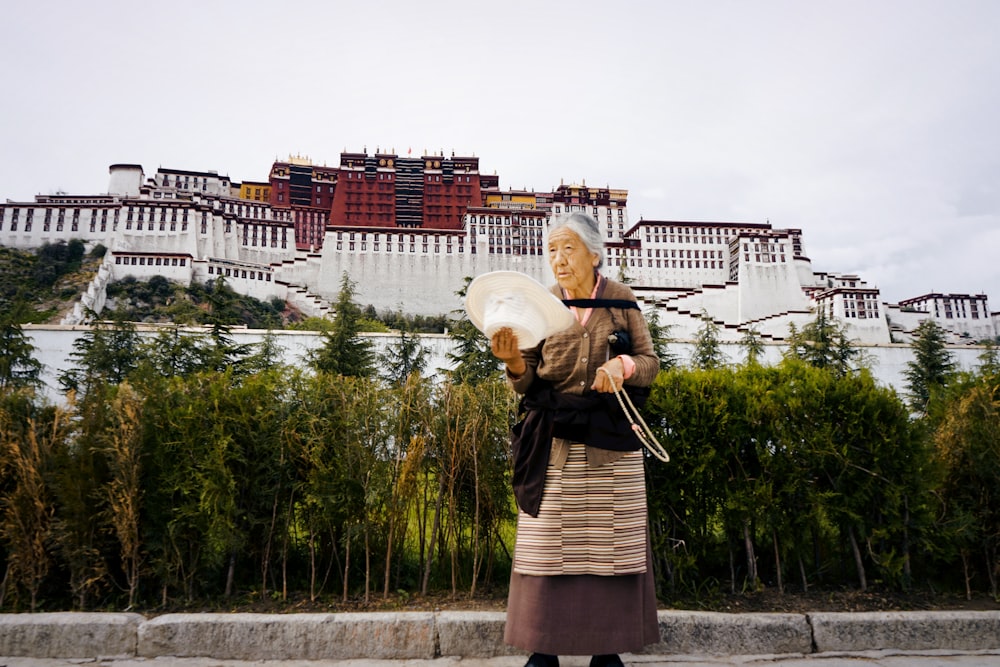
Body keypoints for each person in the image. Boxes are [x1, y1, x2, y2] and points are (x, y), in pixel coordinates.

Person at [490, 212, 660, 667]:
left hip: (611, 442)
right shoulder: (541, 305)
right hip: (554, 443)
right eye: (551, 251)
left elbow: (649, 362)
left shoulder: (622, 300)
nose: (558, 260)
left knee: (611, 547)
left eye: (568, 249)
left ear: (594, 253)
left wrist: (621, 367)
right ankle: (543, 650)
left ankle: (607, 651)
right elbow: (526, 381)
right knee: (547, 548)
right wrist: (512, 364)